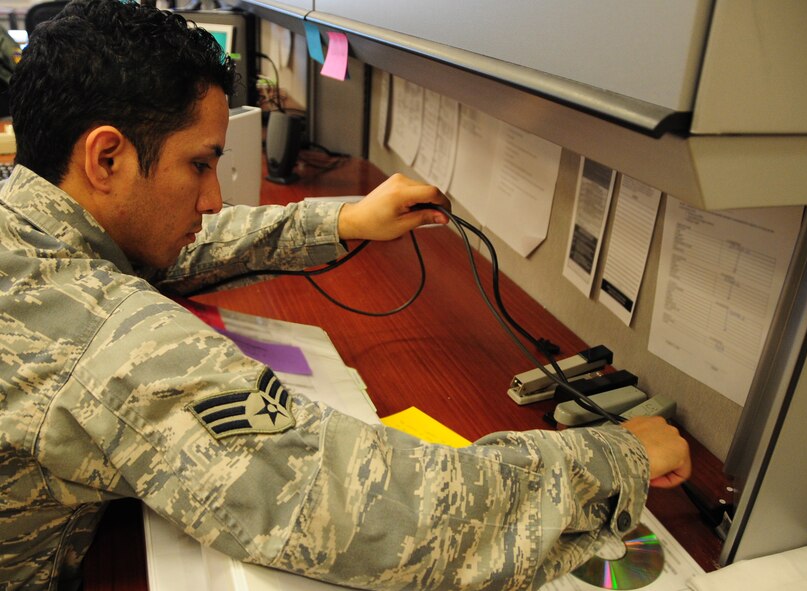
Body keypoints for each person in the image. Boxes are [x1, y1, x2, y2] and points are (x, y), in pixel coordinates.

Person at [0, 1, 691, 589]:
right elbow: (380, 508)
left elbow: (171, 243)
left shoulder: (29, 223)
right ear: (107, 158)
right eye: (200, 165)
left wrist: (340, 219)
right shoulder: (99, 341)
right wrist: (615, 457)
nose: (213, 199)